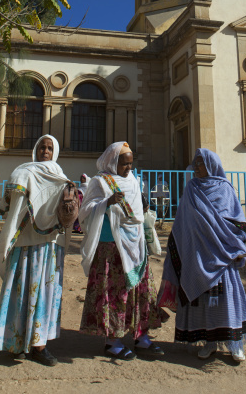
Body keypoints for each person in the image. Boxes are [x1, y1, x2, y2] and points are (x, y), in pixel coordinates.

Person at [0, 135, 79, 366]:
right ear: (35, 149)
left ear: (55, 151)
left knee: (43, 295)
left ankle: (39, 345)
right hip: (25, 244)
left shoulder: (60, 176)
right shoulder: (24, 172)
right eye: (42, 147)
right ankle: (16, 343)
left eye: (50, 148)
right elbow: (6, 204)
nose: (46, 151)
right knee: (21, 292)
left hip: (49, 247)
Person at [78, 141, 167, 361]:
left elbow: (136, 210)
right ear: (112, 161)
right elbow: (85, 212)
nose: (128, 168)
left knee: (140, 291)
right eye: (124, 164)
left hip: (135, 246)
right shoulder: (100, 182)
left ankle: (141, 336)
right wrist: (106, 203)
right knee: (114, 293)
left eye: (130, 163)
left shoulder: (133, 181)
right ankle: (112, 341)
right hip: (111, 248)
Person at [160, 148, 246, 362]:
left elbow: (236, 221)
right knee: (203, 302)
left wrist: (234, 245)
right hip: (198, 256)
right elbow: (183, 221)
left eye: (201, 163)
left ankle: (234, 343)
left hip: (222, 257)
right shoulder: (191, 188)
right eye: (196, 163)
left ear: (211, 165)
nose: (197, 167)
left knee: (225, 300)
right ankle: (210, 342)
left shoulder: (225, 189)